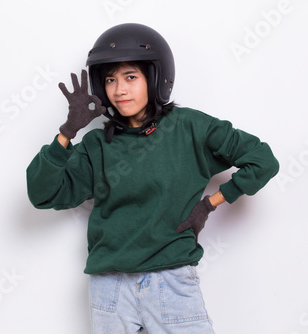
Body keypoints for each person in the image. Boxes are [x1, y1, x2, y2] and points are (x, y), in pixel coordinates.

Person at [26, 23, 279, 334]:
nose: (119, 90)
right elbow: (42, 194)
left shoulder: (190, 128)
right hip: (110, 286)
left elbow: (262, 161)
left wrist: (210, 204)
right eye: (110, 80)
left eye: (130, 77)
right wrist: (67, 131)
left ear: (156, 78)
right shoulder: (96, 146)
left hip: (170, 280)